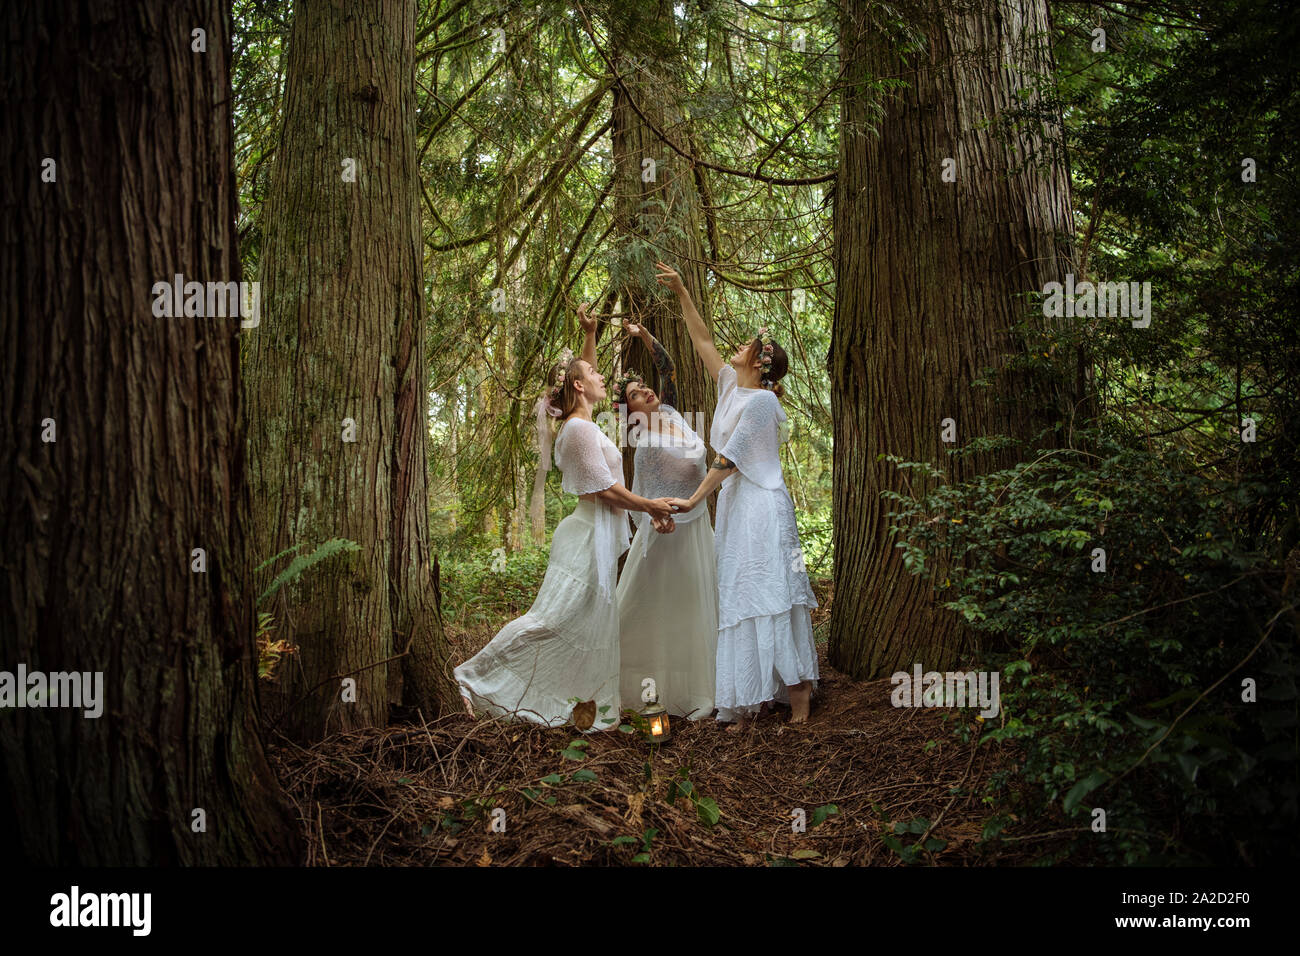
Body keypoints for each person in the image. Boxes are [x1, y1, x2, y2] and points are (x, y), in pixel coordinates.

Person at [454, 307, 677, 729]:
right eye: (593, 376)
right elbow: (602, 490)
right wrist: (650, 505)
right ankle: (470, 677)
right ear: (579, 385)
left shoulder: (584, 425)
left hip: (597, 536)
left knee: (584, 624)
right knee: (551, 619)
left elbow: (584, 371)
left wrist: (589, 332)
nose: (601, 378)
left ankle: (580, 699)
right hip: (585, 536)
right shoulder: (577, 431)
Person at [655, 263, 819, 730]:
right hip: (734, 506)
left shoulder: (764, 402)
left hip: (762, 505)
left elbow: (728, 459)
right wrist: (684, 291)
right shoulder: (730, 385)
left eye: (748, 345)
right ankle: (749, 695)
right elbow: (702, 341)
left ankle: (799, 697)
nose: (738, 346)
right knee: (740, 592)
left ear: (760, 362)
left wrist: (693, 500)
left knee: (770, 590)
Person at [613, 320, 718, 721]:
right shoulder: (645, 444)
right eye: (637, 395)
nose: (647, 392)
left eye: (644, 387)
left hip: (697, 532)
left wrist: (642, 336)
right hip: (666, 536)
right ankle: (644, 690)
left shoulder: (672, 411)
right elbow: (648, 494)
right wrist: (656, 518)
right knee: (654, 613)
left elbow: (668, 367)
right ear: (631, 413)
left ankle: (694, 689)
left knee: (693, 610)